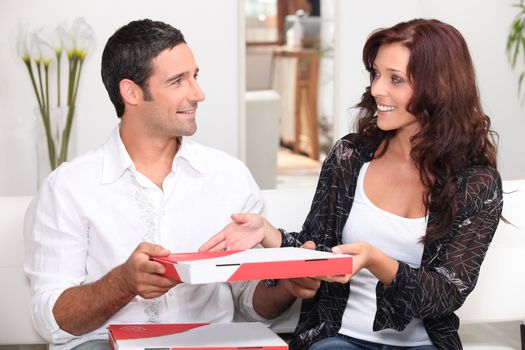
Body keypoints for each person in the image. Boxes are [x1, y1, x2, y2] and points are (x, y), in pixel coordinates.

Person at [200, 18, 504, 350]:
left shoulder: (477, 182)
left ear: (441, 87)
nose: (376, 89)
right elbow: (317, 248)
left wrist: (376, 260)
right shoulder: (350, 157)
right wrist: (267, 232)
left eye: (396, 79)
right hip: (339, 339)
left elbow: (446, 294)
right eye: (375, 74)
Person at [24, 19, 285, 350]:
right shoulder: (68, 187)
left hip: (209, 344)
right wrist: (122, 283)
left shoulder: (229, 176)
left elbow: (251, 305)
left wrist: (289, 287)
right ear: (131, 92)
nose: (198, 94)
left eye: (195, 77)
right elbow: (50, 320)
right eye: (177, 81)